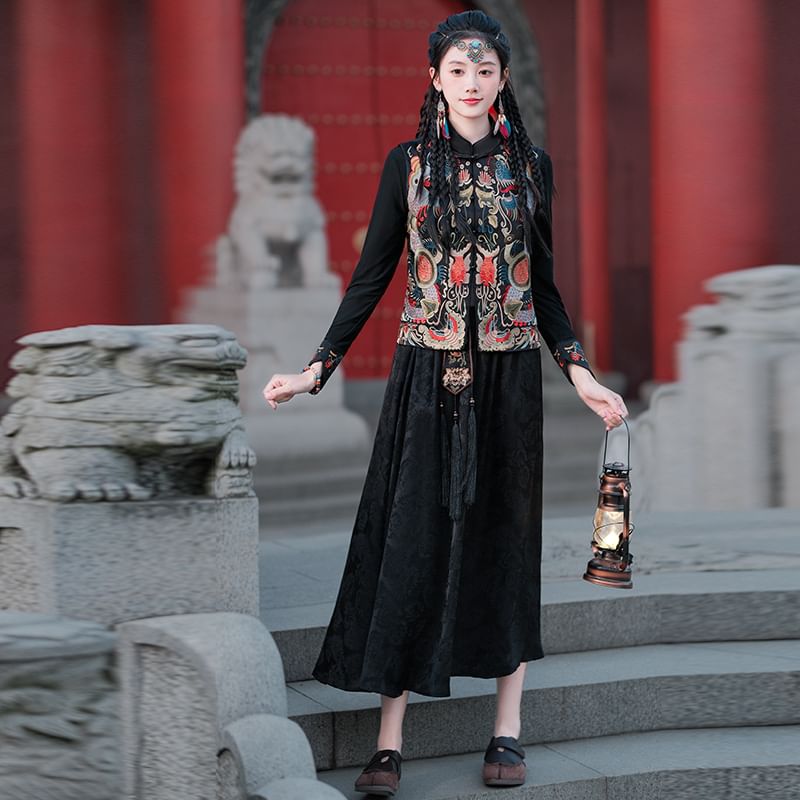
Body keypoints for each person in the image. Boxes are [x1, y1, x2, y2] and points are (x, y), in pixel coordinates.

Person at [263, 10, 628, 796]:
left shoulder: (531, 166)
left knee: (506, 542)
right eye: (458, 71)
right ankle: (388, 739)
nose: (471, 83)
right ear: (435, 78)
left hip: (508, 381)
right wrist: (316, 369)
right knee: (412, 542)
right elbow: (372, 275)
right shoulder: (408, 166)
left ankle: (507, 729)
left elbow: (545, 288)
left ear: (503, 80)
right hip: (425, 379)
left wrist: (580, 372)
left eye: (484, 71)